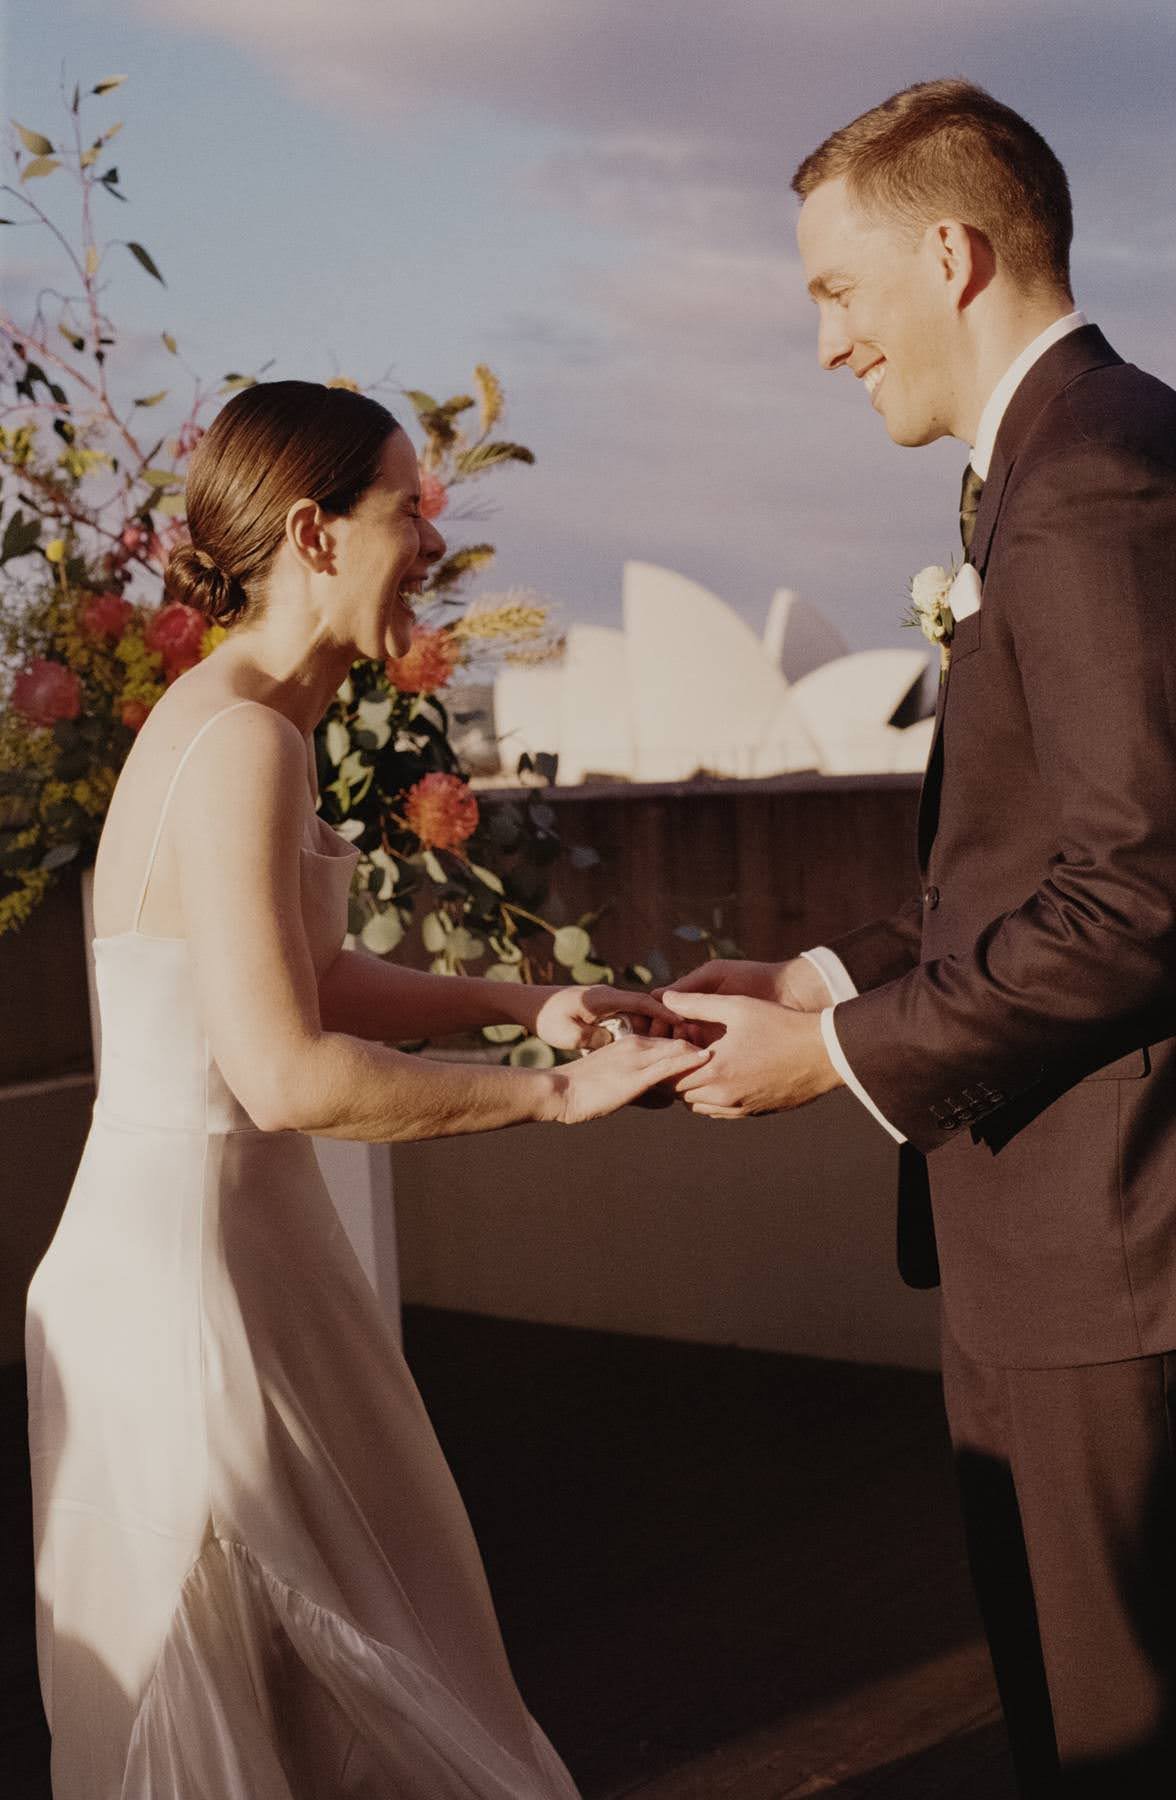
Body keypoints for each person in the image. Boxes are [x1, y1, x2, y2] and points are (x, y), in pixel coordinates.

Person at [25, 379, 710, 1799]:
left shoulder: (236, 721)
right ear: (314, 534)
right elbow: (282, 1073)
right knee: (303, 1683)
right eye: (410, 516)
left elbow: (301, 981)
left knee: (370, 1655)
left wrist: (530, 1008)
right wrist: (556, 1099)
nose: (432, 552)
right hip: (194, 1292)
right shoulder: (243, 743)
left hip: (226, 1255)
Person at [661, 79, 1176, 1795]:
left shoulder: (1092, 483)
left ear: (949, 255)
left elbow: (1139, 898)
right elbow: (1026, 867)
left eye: (836, 291)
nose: (826, 345)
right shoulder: (1056, 464)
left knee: (1119, 1738)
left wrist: (835, 1058)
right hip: (1043, 1243)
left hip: (1113, 1258)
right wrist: (816, 975)